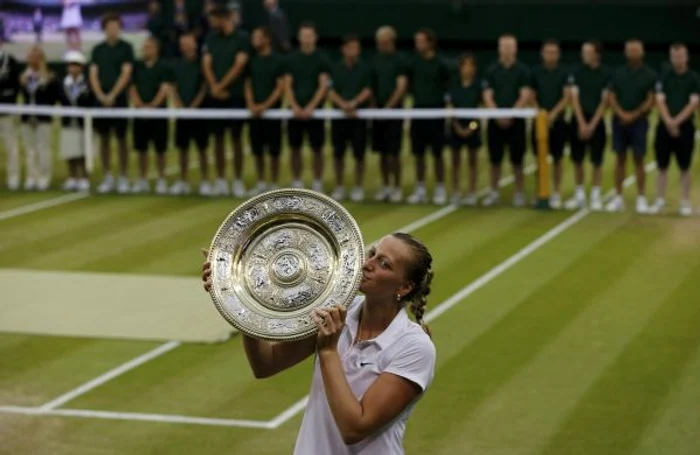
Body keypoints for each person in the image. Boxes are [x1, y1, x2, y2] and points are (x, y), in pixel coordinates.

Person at [201, 232, 436, 454]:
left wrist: (328, 350)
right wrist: (241, 301)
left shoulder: (414, 347)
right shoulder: (338, 309)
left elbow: (355, 428)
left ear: (404, 287)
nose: (368, 264)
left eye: (384, 264)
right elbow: (266, 364)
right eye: (372, 253)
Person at [202, 5, 251, 197]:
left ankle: (238, 181)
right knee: (218, 139)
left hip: (235, 96)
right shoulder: (210, 38)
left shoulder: (242, 38)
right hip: (215, 97)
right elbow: (206, 63)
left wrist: (221, 86)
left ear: (223, 18)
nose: (212, 22)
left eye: (214, 18)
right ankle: (221, 180)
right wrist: (215, 87)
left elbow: (239, 65)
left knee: (237, 139)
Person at [606, 39, 657, 213]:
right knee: (620, 158)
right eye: (630, 51)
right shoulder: (617, 72)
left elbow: (650, 100)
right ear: (625, 53)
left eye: (636, 51)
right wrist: (622, 114)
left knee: (639, 159)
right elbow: (611, 96)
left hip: (639, 122)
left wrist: (633, 115)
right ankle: (618, 196)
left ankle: (641, 198)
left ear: (642, 53)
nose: (633, 54)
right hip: (619, 121)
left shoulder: (650, 74)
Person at [650, 42, 700, 216]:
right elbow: (660, 100)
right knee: (662, 166)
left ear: (686, 57)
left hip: (685, 128)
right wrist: (669, 122)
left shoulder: (693, 78)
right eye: (674, 56)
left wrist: (676, 122)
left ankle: (685, 202)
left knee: (684, 166)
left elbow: (693, 103)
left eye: (680, 56)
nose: (677, 59)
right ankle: (660, 200)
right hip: (664, 127)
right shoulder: (663, 77)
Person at [482, 34, 532, 207]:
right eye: (504, 46)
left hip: (516, 121)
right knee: (494, 160)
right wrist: (497, 115)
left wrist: (511, 114)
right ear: (499, 48)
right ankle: (494, 192)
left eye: (510, 46)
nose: (507, 49)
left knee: (517, 160)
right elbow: (487, 95)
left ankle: (519, 192)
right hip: (494, 122)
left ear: (515, 48)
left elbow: (525, 95)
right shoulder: (491, 70)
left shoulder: (523, 71)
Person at [89, 13, 135, 194]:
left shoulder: (126, 48)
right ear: (105, 29)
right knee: (104, 138)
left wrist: (113, 95)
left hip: (120, 100)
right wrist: (101, 95)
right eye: (109, 27)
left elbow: (126, 73)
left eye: (116, 27)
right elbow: (93, 73)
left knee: (122, 138)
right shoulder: (98, 50)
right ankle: (107, 175)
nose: (113, 30)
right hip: (101, 101)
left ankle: (123, 175)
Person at [406, 28, 451, 205]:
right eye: (417, 41)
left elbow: (447, 86)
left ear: (430, 43)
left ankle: (440, 188)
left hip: (437, 114)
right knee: (419, 153)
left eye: (421, 41)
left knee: (438, 153)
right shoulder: (413, 63)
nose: (418, 44)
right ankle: (420, 188)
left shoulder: (441, 64)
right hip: (418, 113)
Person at [285, 22, 332, 192]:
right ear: (299, 38)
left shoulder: (322, 59)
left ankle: (317, 182)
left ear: (315, 38)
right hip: (296, 113)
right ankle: (297, 181)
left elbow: (323, 85)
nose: (306, 39)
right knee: (295, 148)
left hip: (315, 113)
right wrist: (295, 107)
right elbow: (288, 86)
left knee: (317, 148)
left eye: (309, 35)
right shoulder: (291, 59)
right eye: (303, 35)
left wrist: (311, 107)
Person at [565, 40, 611, 211]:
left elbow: (605, 101)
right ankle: (579, 195)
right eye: (583, 51)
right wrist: (582, 122)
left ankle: (595, 195)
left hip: (596, 122)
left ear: (596, 54)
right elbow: (573, 98)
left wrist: (592, 125)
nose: (584, 54)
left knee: (596, 160)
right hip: (578, 120)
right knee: (577, 159)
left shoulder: (606, 73)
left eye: (587, 51)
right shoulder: (575, 72)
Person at [328, 34, 373, 202]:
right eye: (350, 47)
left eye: (356, 47)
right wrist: (343, 105)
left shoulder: (365, 68)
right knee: (338, 154)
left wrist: (353, 103)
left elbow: (368, 90)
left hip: (358, 117)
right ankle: (339, 186)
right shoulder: (335, 67)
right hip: (339, 117)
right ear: (343, 49)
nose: (353, 51)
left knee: (359, 154)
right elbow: (330, 90)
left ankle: (358, 187)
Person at [244, 26, 286, 196]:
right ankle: (261, 182)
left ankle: (274, 183)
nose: (254, 40)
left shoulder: (278, 60)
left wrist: (265, 106)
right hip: (255, 113)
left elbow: (280, 87)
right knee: (258, 150)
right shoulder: (251, 60)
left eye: (258, 37)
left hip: (272, 113)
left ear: (267, 39)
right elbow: (247, 84)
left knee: (274, 150)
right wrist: (252, 104)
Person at [529, 39, 570, 209]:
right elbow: (531, 95)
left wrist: (552, 115)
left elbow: (566, 96)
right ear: (542, 54)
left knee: (558, 158)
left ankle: (557, 191)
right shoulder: (535, 72)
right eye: (548, 52)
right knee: (540, 158)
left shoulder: (564, 73)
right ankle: (541, 191)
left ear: (558, 54)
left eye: (554, 52)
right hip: (539, 121)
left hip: (558, 121)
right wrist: (541, 115)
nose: (550, 55)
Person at [129, 37, 172, 194]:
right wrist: (140, 105)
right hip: (140, 114)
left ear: (156, 49)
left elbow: (165, 88)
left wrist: (153, 106)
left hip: (159, 114)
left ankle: (161, 178)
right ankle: (142, 178)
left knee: (160, 148)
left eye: (149, 47)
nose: (145, 50)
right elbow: (132, 87)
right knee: (141, 148)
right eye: (144, 47)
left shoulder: (163, 67)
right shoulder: (137, 66)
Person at [371, 25, 408, 204]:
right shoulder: (376, 59)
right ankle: (386, 186)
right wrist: (375, 108)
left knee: (394, 152)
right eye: (379, 42)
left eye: (384, 42)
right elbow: (371, 86)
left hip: (394, 111)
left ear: (391, 41)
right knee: (382, 152)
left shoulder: (400, 60)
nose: (382, 45)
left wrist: (388, 107)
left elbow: (401, 87)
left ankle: (397, 187)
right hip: (378, 111)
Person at [170, 32, 210, 197]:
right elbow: (173, 86)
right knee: (183, 148)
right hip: (182, 112)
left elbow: (204, 85)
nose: (185, 46)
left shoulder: (202, 64)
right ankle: (183, 181)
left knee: (202, 148)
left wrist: (195, 105)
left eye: (188, 42)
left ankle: (205, 181)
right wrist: (178, 104)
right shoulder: (177, 64)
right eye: (183, 43)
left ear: (194, 44)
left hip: (199, 112)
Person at [19, 45, 58, 192]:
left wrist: (43, 71)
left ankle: (44, 177)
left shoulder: (49, 76)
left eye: (37, 57)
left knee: (44, 148)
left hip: (43, 118)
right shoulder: (24, 76)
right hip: (27, 118)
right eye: (31, 57)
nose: (34, 60)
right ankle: (31, 177)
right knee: (29, 149)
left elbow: (51, 90)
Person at [446, 53, 483, 206]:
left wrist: (471, 128)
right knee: (455, 161)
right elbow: (450, 107)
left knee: (472, 161)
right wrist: (457, 127)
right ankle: (456, 191)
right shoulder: (453, 86)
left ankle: (472, 192)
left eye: (470, 66)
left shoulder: (479, 86)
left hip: (472, 127)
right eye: (464, 66)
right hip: (456, 126)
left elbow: (481, 108)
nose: (467, 69)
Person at [57, 50, 92, 192]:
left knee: (84, 151)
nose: (73, 68)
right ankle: (72, 177)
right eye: (71, 65)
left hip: (84, 123)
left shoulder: (87, 83)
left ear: (81, 67)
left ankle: (84, 177)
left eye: (76, 65)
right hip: (68, 122)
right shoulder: (63, 83)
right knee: (70, 151)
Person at [0, 35, 21, 191]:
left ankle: (14, 177)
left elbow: (15, 86)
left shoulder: (11, 61)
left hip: (7, 111)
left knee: (11, 146)